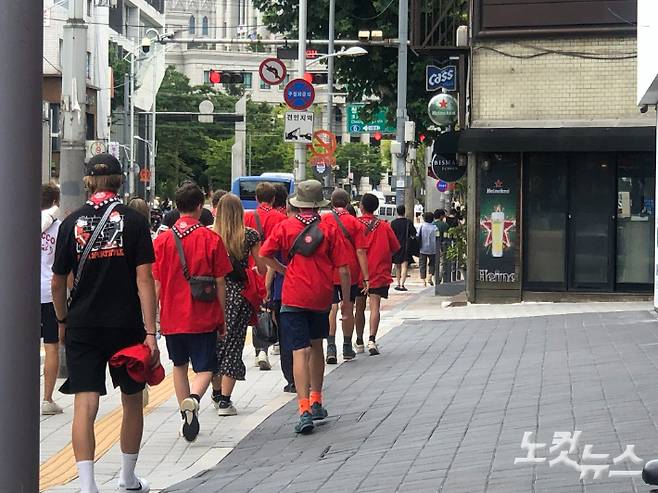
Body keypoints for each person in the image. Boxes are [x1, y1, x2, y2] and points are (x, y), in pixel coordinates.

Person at [51, 153, 158, 493]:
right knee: (132, 398)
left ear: (88, 182)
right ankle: (127, 477)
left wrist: (63, 319)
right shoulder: (135, 221)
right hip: (126, 325)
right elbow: (145, 280)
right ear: (119, 180)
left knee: (86, 402)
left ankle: (87, 485)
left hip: (83, 323)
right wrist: (151, 331)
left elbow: (57, 282)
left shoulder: (71, 223)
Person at [260, 180, 352, 434]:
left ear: (297, 203)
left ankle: (303, 410)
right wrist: (344, 302)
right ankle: (317, 400)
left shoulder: (284, 227)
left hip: (293, 298)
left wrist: (282, 270)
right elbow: (344, 270)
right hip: (321, 297)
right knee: (316, 347)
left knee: (299, 353)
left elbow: (265, 254)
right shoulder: (330, 229)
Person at [152, 182, 231, 442]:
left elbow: (156, 284)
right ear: (200, 207)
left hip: (172, 316)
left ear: (176, 207)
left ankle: (185, 414)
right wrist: (222, 316)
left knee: (179, 365)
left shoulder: (161, 241)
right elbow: (220, 281)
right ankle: (194, 399)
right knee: (206, 368)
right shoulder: (211, 238)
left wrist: (153, 318)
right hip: (203, 315)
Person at [212, 194, 266, 415]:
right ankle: (225, 400)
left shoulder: (210, 234)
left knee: (215, 345)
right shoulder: (250, 235)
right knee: (233, 345)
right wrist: (252, 271)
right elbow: (262, 267)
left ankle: (215, 393)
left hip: (213, 295)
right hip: (239, 296)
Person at [321, 189, 369, 365]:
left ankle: (331, 346)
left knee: (331, 308)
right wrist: (366, 276)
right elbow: (361, 251)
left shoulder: (324, 220)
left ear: (332, 203)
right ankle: (347, 346)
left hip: (328, 270)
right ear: (348, 202)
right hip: (350, 271)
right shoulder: (354, 223)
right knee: (347, 306)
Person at [244, 182, 287, 370]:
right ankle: (276, 341)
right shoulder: (280, 218)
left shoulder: (247, 217)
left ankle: (260, 349)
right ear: (274, 199)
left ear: (256, 198)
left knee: (257, 310)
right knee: (274, 307)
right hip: (274, 269)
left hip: (252, 271)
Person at [354, 193, 401, 356]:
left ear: (361, 207)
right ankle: (372, 340)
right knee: (375, 307)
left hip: (359, 273)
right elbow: (395, 246)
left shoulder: (355, 224)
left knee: (359, 308)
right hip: (379, 272)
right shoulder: (384, 226)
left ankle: (359, 341)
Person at [41, 183, 64, 415]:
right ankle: (47, 399)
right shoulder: (58, 228)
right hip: (49, 293)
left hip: (23, 295)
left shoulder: (21, 220)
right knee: (51, 347)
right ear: (56, 201)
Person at [390, 205, 416, 291]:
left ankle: (397, 283)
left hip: (396, 246)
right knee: (404, 266)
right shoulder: (408, 222)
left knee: (397, 266)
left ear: (397, 212)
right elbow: (413, 233)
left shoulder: (393, 223)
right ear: (404, 212)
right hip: (406, 246)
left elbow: (391, 235)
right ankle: (402, 284)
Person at [418, 212, 438, 287]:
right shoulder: (435, 228)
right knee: (432, 263)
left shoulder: (421, 226)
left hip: (422, 248)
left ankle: (423, 281)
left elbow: (417, 235)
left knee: (422, 264)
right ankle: (430, 276)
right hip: (433, 248)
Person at [433, 209, 450, 283]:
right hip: (443, 245)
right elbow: (447, 236)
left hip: (433, 247)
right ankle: (439, 278)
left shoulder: (432, 224)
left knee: (434, 262)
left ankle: (434, 277)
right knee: (441, 263)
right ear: (441, 216)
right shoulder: (445, 225)